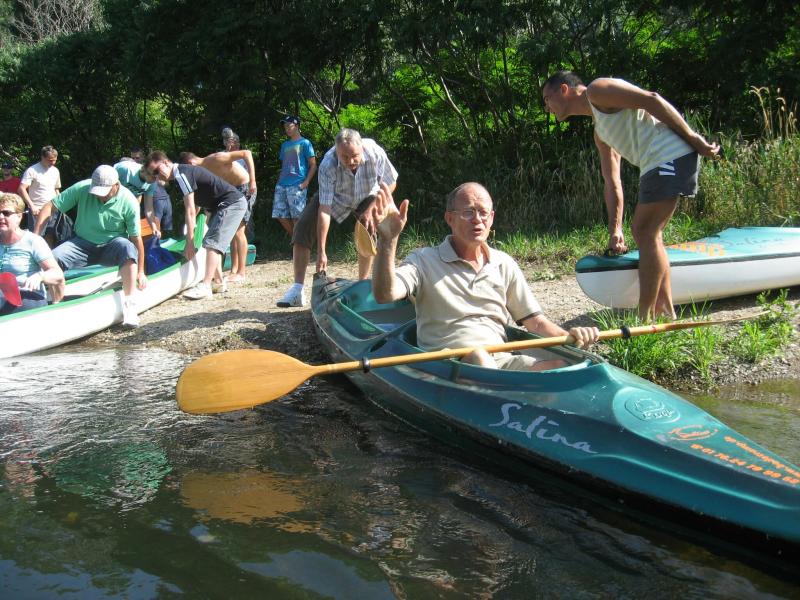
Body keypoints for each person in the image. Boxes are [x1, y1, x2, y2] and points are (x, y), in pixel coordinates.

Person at [541, 71, 720, 319]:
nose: (546, 108)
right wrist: (615, 229)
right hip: (654, 163)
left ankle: (644, 315)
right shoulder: (601, 132)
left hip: (668, 154)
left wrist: (693, 138)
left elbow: (651, 99)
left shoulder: (598, 90)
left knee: (646, 231)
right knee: (648, 234)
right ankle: (664, 310)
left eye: (547, 99)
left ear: (564, 89)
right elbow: (612, 182)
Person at [372, 182, 599, 370]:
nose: (477, 219)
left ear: (491, 218)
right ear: (449, 219)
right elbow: (385, 294)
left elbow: (536, 323)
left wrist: (572, 336)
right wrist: (388, 241)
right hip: (447, 365)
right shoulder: (423, 260)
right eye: (468, 212)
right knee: (479, 357)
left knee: (559, 366)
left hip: (500, 361)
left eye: (483, 213)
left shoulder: (504, 263)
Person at [277, 128, 398, 308]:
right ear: (337, 152)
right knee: (302, 226)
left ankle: (362, 285)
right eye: (345, 157)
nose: (351, 161)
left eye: (355, 156)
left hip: (367, 195)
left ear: (362, 148)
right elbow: (324, 209)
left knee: (369, 225)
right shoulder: (328, 164)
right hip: (336, 197)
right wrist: (322, 251)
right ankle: (297, 289)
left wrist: (370, 209)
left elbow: (390, 182)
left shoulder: (375, 152)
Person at [35, 165, 144, 326]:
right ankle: (57, 304)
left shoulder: (129, 201)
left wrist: (141, 272)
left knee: (127, 247)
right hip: (81, 243)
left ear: (116, 185)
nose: (99, 196)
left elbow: (136, 239)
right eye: (97, 191)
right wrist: (35, 237)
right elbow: (49, 207)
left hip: (111, 245)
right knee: (55, 257)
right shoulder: (83, 188)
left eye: (104, 192)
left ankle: (130, 306)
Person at [143, 151, 247, 300]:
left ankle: (205, 286)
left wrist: (190, 242)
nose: (156, 176)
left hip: (231, 203)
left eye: (156, 171)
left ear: (166, 163)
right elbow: (197, 202)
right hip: (222, 206)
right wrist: (193, 227)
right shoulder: (180, 176)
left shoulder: (181, 174)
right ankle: (218, 282)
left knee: (212, 243)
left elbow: (190, 210)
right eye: (153, 174)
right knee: (211, 242)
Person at [178, 148, 256, 283]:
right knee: (230, 232)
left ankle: (241, 272)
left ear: (191, 163)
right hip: (231, 192)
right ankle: (234, 270)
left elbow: (246, 153)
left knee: (239, 231)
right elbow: (198, 201)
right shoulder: (201, 172)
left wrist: (253, 181)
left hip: (244, 187)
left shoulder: (216, 158)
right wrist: (193, 221)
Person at [0, 193, 64, 315]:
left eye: (6, 213)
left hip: (29, 296)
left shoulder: (33, 241)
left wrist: (40, 276)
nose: (1, 217)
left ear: (19, 216)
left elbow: (58, 274)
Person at [273, 115, 317, 235]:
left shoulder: (305, 143)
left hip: (297, 184)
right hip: (282, 185)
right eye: (285, 126)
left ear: (296, 126)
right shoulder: (285, 145)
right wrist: (278, 183)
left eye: (289, 126)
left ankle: (298, 243)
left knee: (296, 217)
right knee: (279, 215)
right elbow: (284, 165)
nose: (287, 129)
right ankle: (297, 239)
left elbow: (313, 165)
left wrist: (306, 182)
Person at [18, 146, 61, 239]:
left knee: (51, 235)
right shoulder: (32, 170)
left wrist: (61, 205)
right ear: (42, 157)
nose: (53, 163)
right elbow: (21, 189)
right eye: (50, 160)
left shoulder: (55, 171)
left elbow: (56, 189)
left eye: (55, 160)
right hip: (37, 210)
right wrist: (32, 206)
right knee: (36, 238)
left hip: (53, 208)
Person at [114, 158, 160, 236]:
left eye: (156, 177)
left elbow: (149, 208)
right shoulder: (125, 170)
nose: (155, 180)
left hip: (129, 205)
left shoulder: (152, 183)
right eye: (153, 177)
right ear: (144, 170)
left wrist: (154, 227)